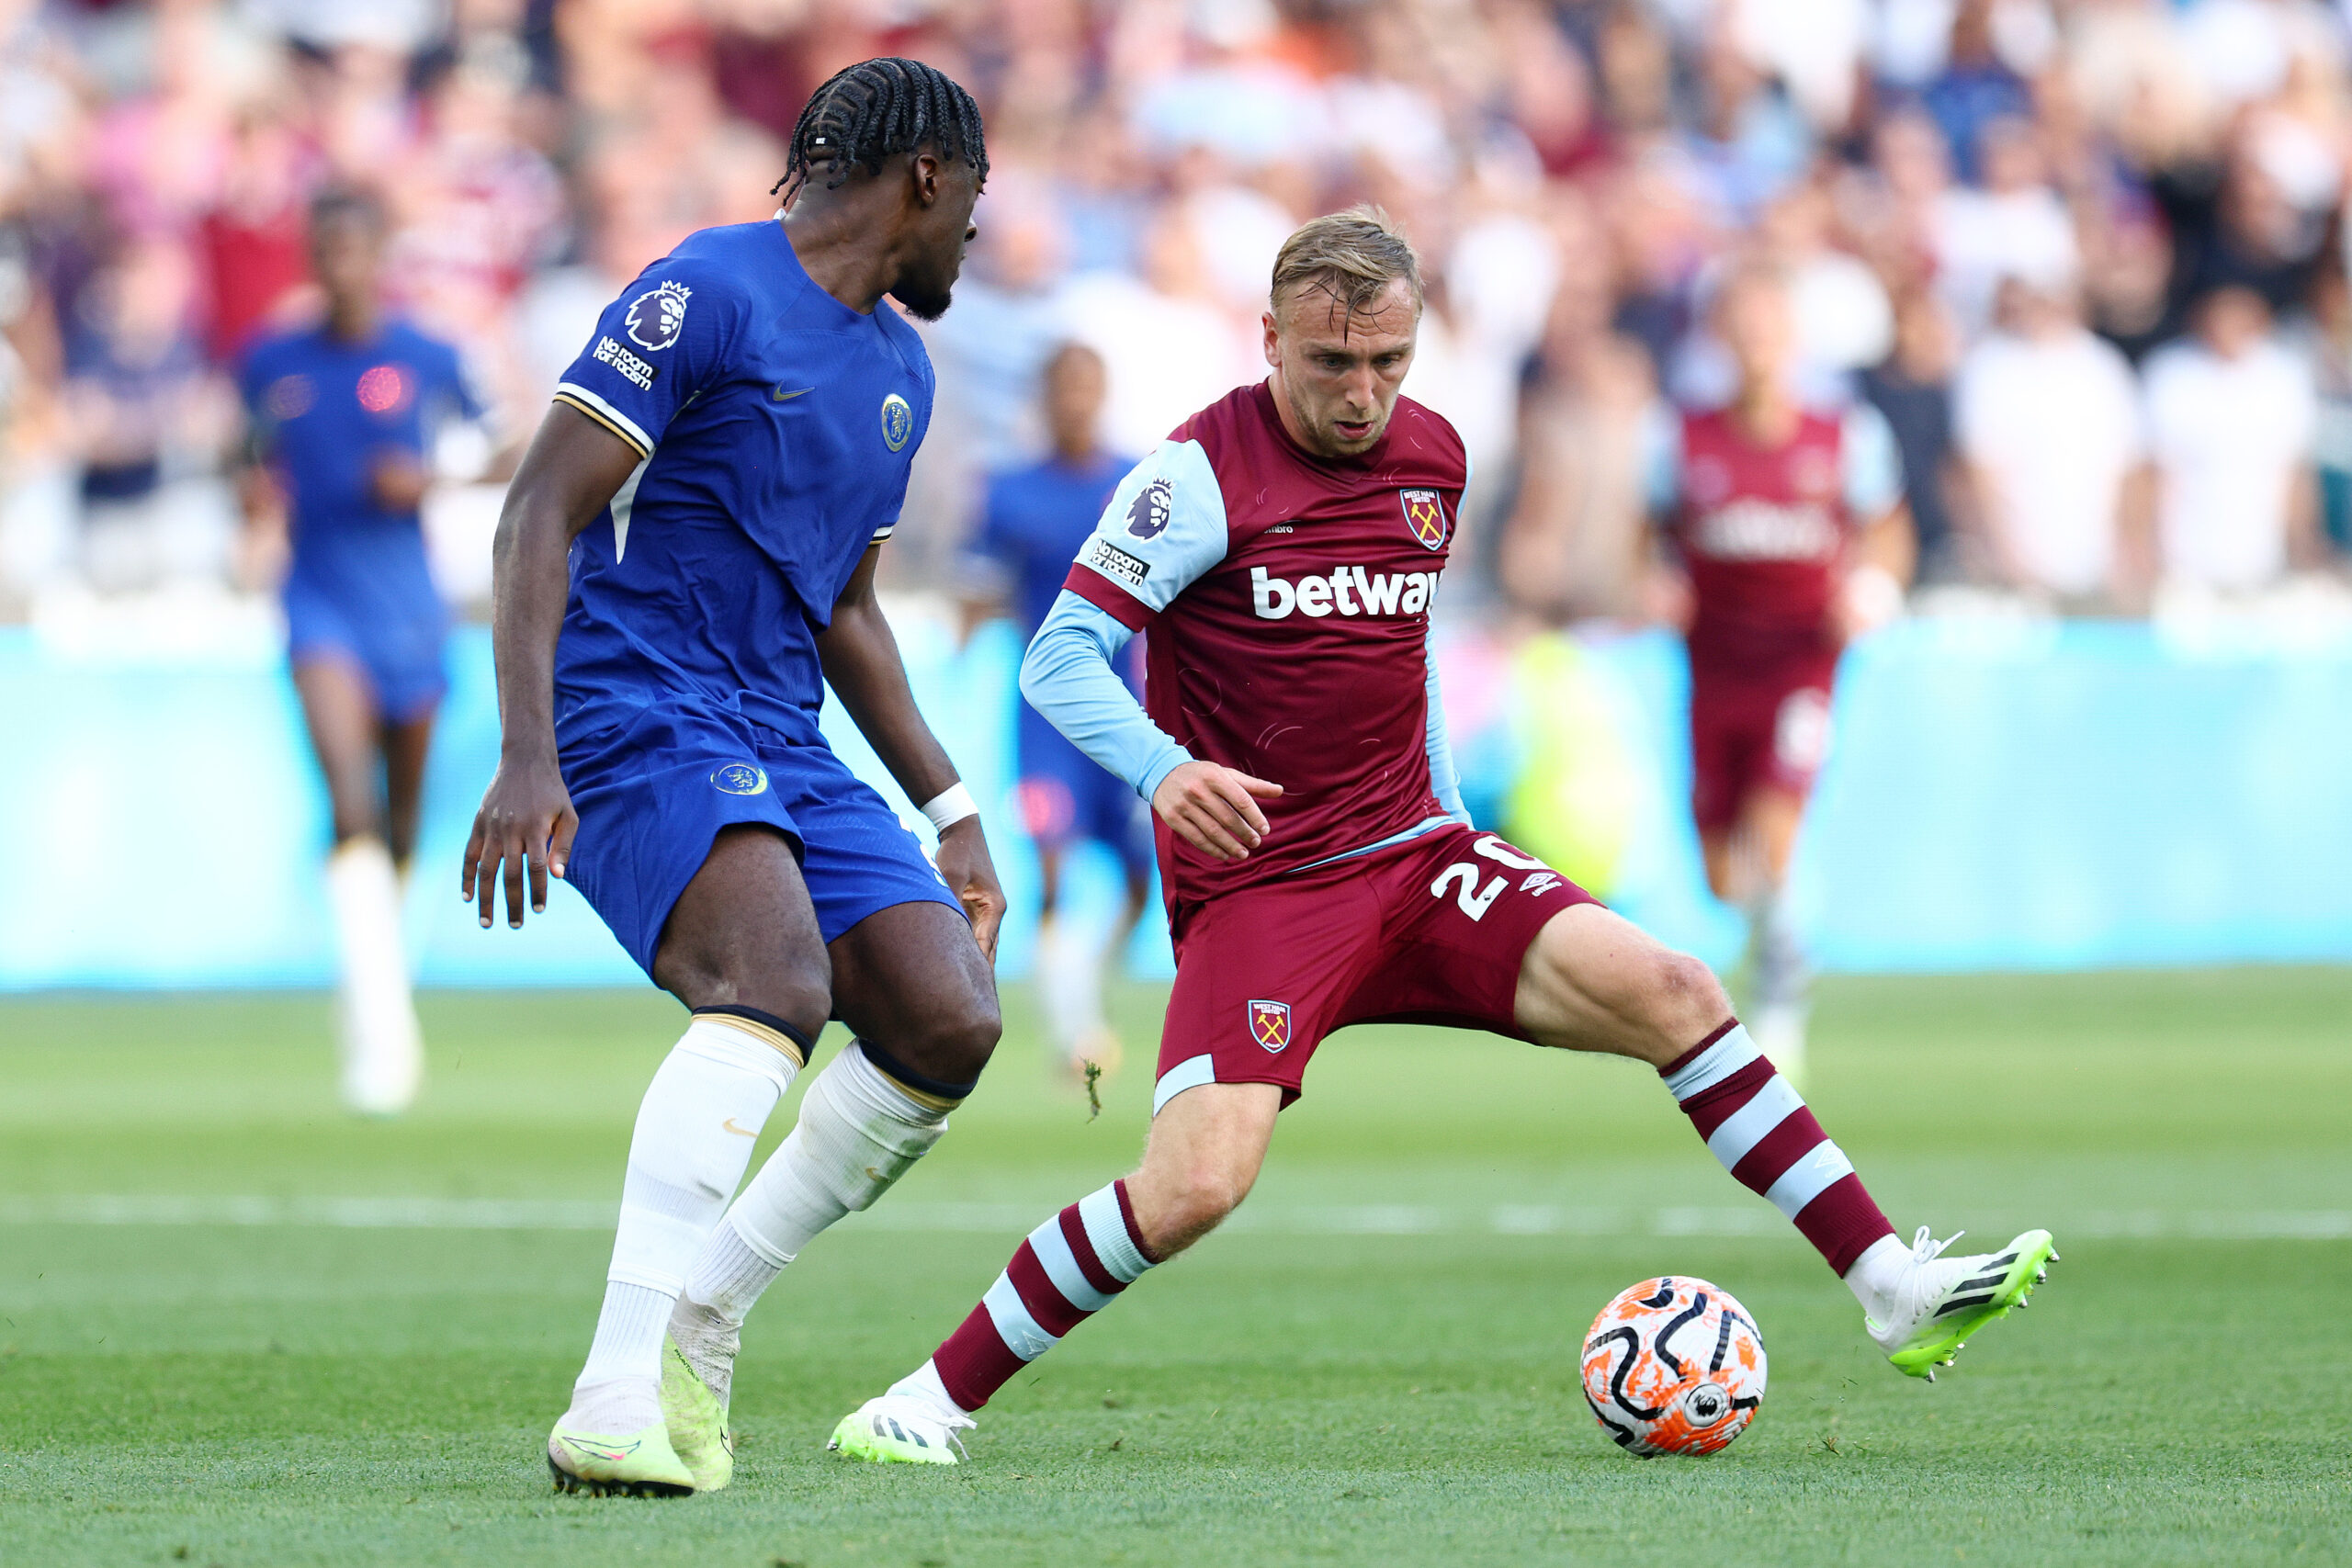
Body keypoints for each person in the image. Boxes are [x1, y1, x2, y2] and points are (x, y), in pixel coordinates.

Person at [823, 209, 2054, 1466]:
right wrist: (1164, 766)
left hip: (1417, 855)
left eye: (1388, 362)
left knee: (1680, 989)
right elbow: (1059, 656)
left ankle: (1890, 1282)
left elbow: (1400, 653)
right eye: (1330, 363)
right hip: (1267, 890)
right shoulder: (1196, 474)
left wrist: (1451, 816)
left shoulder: (1434, 457)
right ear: (1269, 341)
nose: (1362, 394)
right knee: (1195, 1185)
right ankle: (925, 1398)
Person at [460, 59, 1009, 1498]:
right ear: (928, 177)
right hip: (631, 702)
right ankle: (610, 1395)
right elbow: (536, 510)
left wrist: (952, 810)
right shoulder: (703, 291)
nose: (975, 234)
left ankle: (703, 1318)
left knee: (948, 1016)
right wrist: (526, 749)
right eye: (973, 198)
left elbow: (849, 610)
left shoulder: (900, 370)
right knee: (771, 977)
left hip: (778, 726)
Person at [238, 187, 487, 1116]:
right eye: (327, 249)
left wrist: (427, 478)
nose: (341, 265)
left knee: (404, 819)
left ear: (381, 256)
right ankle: (386, 1039)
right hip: (319, 597)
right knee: (349, 801)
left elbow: (500, 449)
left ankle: (375, 991)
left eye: (356, 248)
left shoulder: (428, 355)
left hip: (410, 607)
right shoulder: (271, 361)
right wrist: (250, 501)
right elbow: (243, 454)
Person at [1647, 265, 1914, 1086]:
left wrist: (1875, 586)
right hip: (1714, 664)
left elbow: (1888, 528)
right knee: (1725, 878)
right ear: (1722, 338)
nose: (1758, 343)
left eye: (1770, 326)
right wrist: (1654, 580)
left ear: (1793, 338)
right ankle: (1780, 941)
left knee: (1776, 826)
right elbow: (1650, 534)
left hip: (1802, 661)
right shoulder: (1681, 437)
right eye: (1744, 326)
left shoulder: (1847, 435)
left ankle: (1780, 999)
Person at [958, 342, 1149, 1078]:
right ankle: (1075, 1035)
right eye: (1062, 388)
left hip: (1127, 714)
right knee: (1052, 866)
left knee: (1141, 878)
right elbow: (978, 586)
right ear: (1042, 400)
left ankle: (1087, 988)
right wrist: (963, 631)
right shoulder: (1008, 493)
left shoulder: (1138, 485)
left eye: (1086, 386)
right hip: (1045, 721)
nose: (1074, 401)